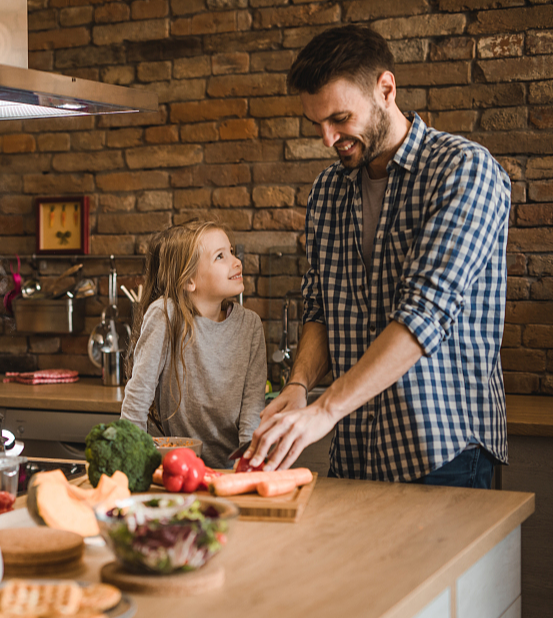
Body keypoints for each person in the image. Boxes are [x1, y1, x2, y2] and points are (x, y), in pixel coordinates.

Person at [246, 25, 511, 488]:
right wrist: (298, 387)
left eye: (340, 119)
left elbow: (423, 315)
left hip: (444, 453)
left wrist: (324, 409)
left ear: (385, 89)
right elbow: (319, 308)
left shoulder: (464, 171)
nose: (328, 139)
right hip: (357, 451)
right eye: (317, 125)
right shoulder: (327, 192)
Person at [120, 221, 267, 469]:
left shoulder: (251, 326)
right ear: (189, 280)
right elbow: (137, 399)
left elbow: (253, 410)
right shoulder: (165, 315)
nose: (236, 262)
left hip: (230, 470)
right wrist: (130, 463)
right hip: (175, 469)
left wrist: (247, 467)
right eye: (221, 256)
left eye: (231, 251)